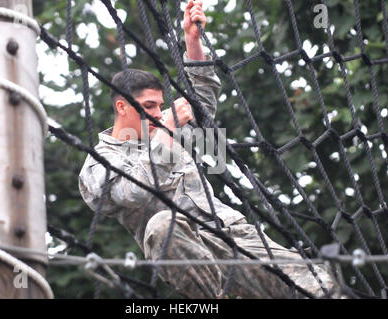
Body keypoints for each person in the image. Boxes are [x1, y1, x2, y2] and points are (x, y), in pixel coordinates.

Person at [79, 0, 342, 298]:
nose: (157, 113)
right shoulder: (99, 164)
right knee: (163, 224)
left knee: (322, 287)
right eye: (148, 106)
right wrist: (166, 132)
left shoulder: (168, 132)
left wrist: (192, 41)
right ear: (122, 106)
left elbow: (201, 101)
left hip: (236, 237)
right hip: (190, 253)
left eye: (160, 106)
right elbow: (136, 190)